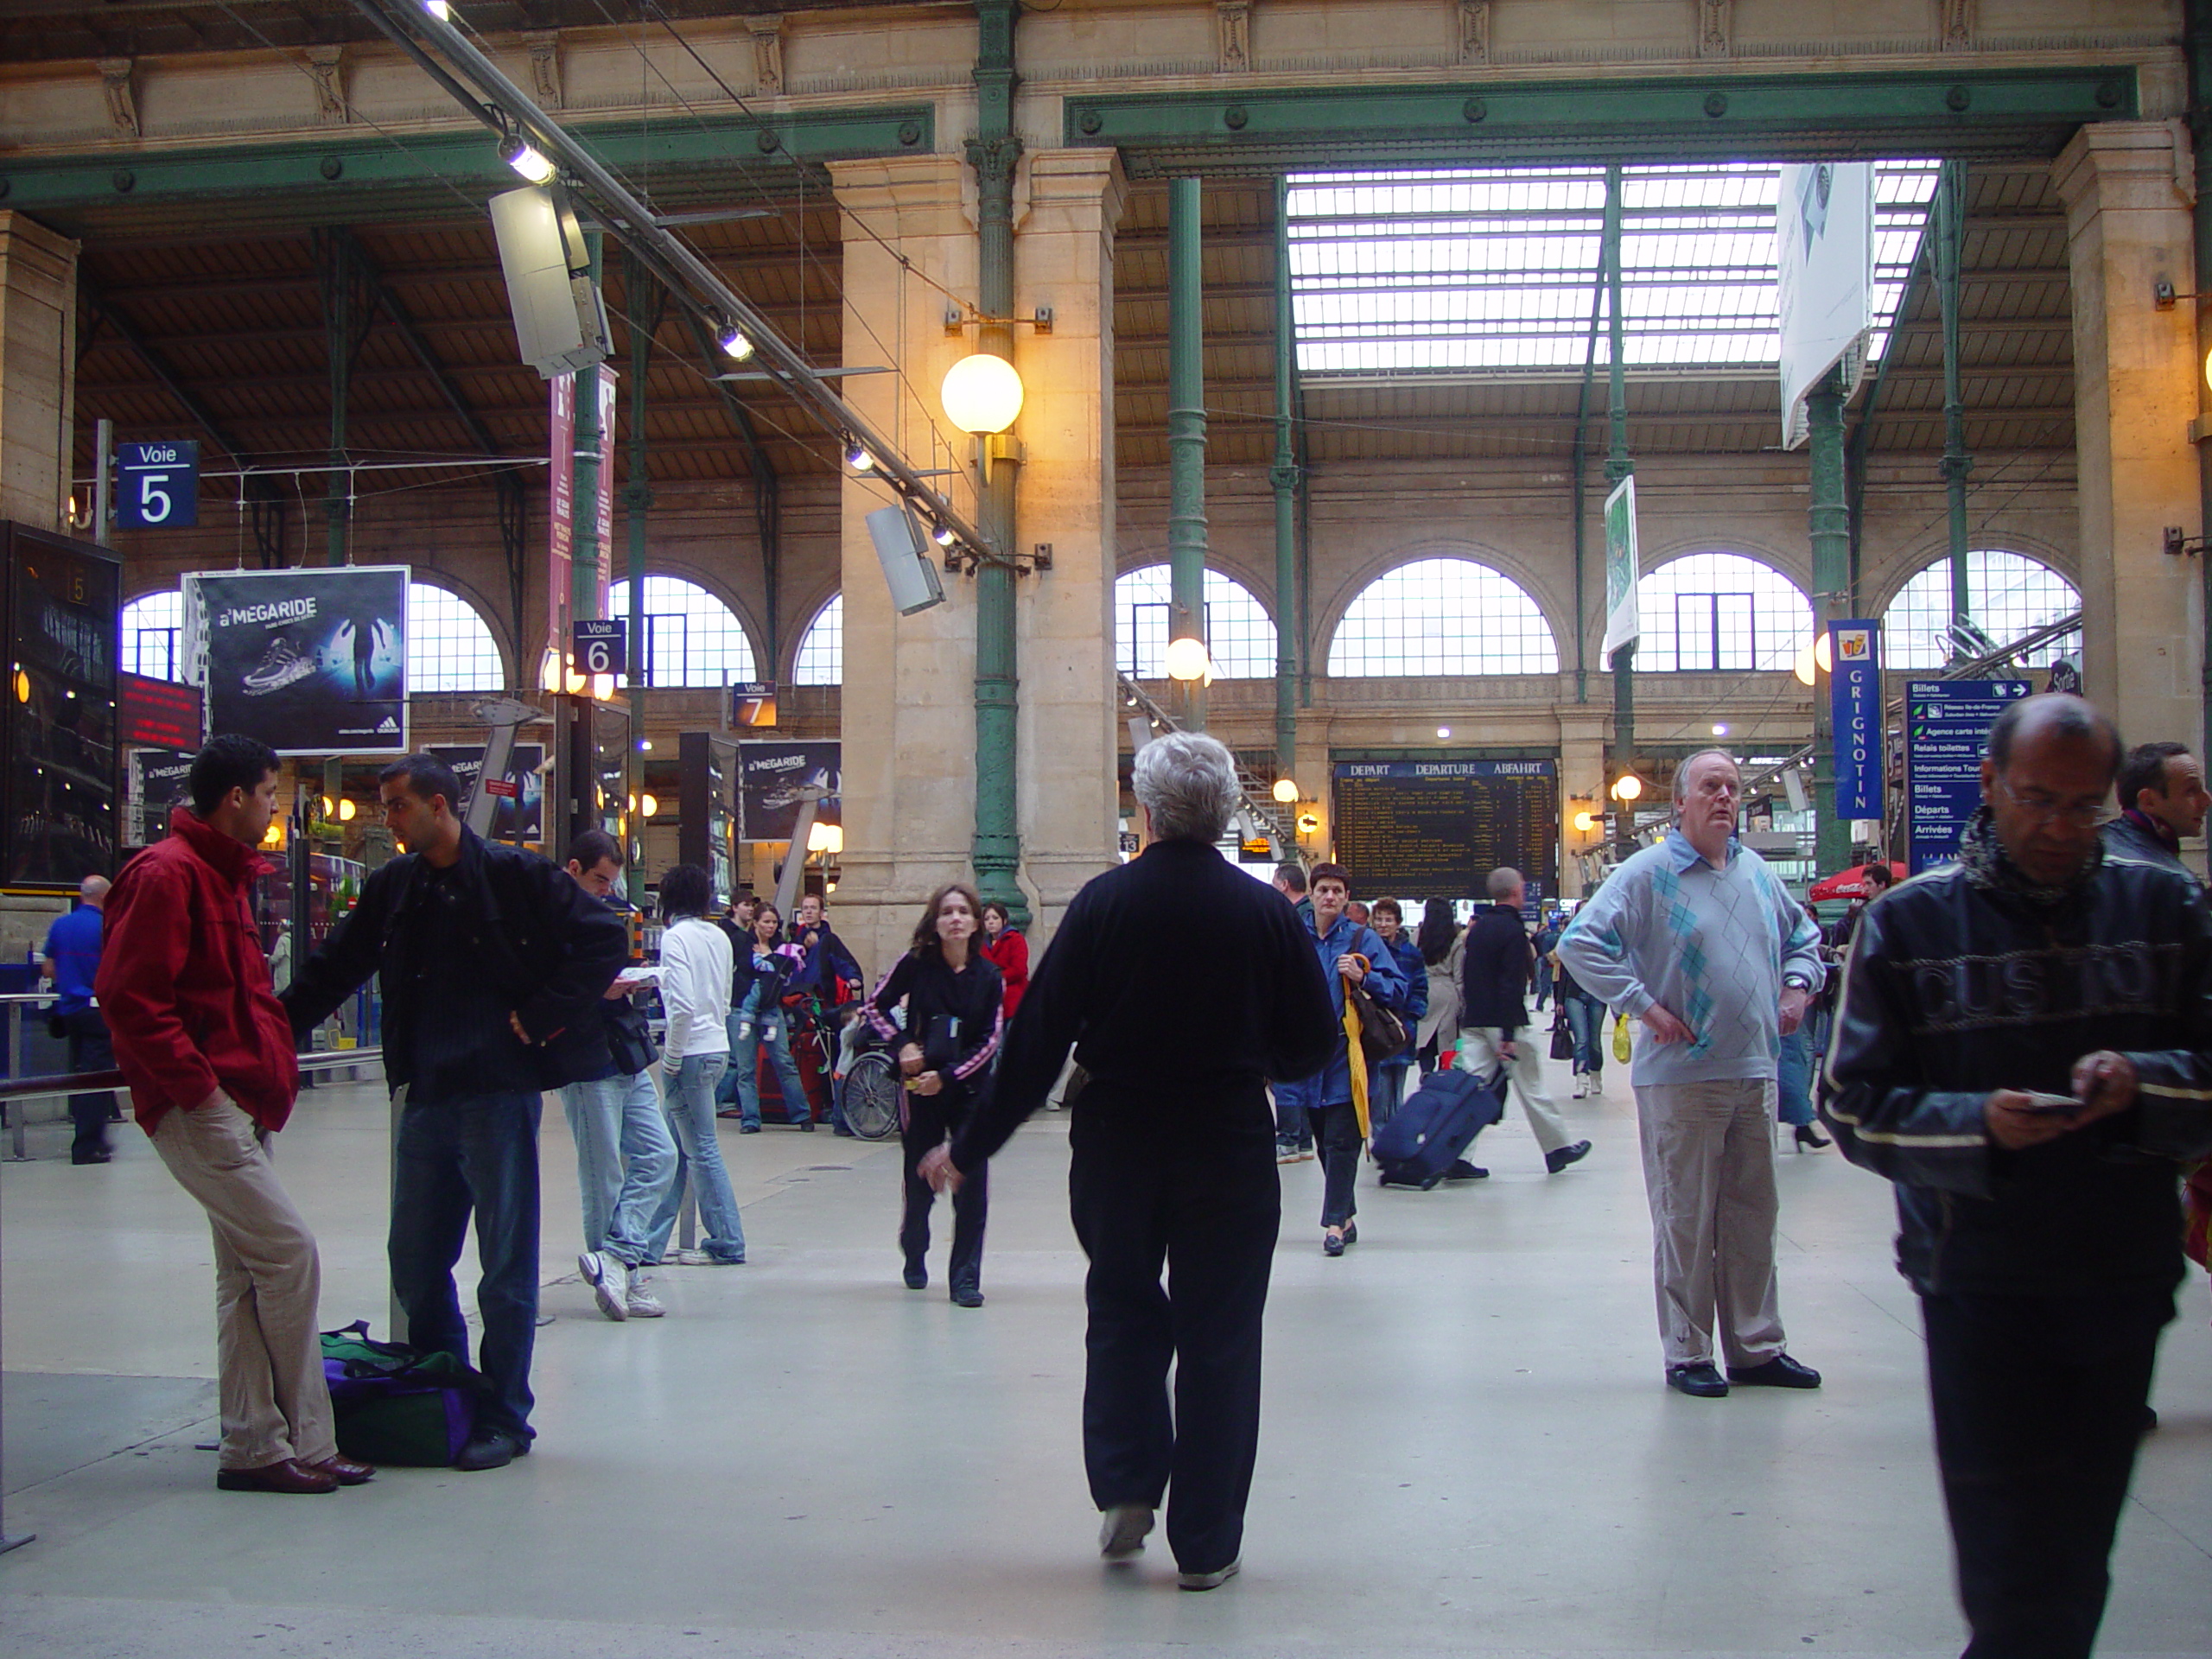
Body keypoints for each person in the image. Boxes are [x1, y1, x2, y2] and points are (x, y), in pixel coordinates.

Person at [1822, 693, 2212, 1659]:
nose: (2057, 828)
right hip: (1979, 1285)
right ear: (1990, 786)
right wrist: (1978, 1127)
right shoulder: (1910, 925)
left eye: (2082, 809)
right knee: (2006, 1570)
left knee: (2076, 1556)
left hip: (2119, 1277)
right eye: (2037, 799)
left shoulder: (2166, 910)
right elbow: (1852, 1107)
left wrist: (2142, 1085)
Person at [915, 731, 1334, 1591]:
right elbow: (1311, 1046)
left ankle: (1126, 1487)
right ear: (1224, 815)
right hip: (1227, 1135)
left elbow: (1036, 1043)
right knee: (1221, 1333)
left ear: (1142, 812)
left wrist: (969, 1144)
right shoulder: (1265, 912)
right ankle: (1208, 1543)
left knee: (1122, 1307)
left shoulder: (1103, 905)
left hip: (1117, 1135)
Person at [283, 753, 627, 1471]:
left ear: (439, 807)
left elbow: (603, 937)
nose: (388, 818)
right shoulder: (396, 886)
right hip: (426, 1095)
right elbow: (336, 965)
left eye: (398, 805)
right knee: (413, 1260)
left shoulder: (511, 874)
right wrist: (272, 1031)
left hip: (496, 1093)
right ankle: (447, 1391)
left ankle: (506, 1415)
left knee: (505, 1266)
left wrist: (540, 1017)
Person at [99, 735, 370, 1494]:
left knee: (247, 1275)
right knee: (289, 1254)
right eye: (270, 793)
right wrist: (199, 1091)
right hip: (205, 1107)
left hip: (240, 1103)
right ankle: (309, 1442)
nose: (277, 807)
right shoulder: (166, 876)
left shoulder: (221, 880)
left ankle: (254, 1445)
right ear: (236, 799)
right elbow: (131, 998)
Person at [1557, 749, 1825, 1399]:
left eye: (1732, 787)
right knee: (1686, 1216)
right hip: (1681, 1079)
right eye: (1711, 787)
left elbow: (1805, 940)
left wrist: (1795, 989)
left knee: (1752, 1215)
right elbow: (1579, 943)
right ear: (1679, 803)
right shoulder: (1647, 874)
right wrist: (1643, 1005)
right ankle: (1687, 1351)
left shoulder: (1758, 874)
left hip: (1754, 1070)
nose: (1726, 797)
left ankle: (1757, 1346)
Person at [558, 831, 681, 1321]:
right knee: (603, 1169)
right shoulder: (553, 922)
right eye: (599, 880)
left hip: (624, 1053)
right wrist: (595, 989)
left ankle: (617, 1255)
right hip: (586, 1059)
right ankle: (620, 1274)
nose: (607, 889)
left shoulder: (604, 917)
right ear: (573, 869)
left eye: (611, 880)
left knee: (661, 1154)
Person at [867, 884, 1002, 1305]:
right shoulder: (916, 965)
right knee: (920, 1176)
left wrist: (948, 1075)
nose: (956, 919)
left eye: (964, 912)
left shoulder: (989, 976)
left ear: (976, 923)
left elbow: (989, 1040)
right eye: (947, 912)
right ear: (936, 922)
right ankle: (914, 1246)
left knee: (972, 1184)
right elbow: (875, 1007)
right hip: (920, 1087)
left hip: (967, 1090)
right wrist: (903, 1043)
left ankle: (965, 1277)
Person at [1273, 862, 1405, 1255]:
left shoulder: (1363, 940)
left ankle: (1332, 1225)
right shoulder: (1293, 936)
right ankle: (1345, 1214)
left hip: (1349, 1058)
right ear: (1311, 894)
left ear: (1347, 898)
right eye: (1323, 890)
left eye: (1338, 891)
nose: (1330, 897)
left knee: (1342, 1140)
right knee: (1324, 1142)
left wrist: (1366, 978)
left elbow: (1398, 988)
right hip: (1306, 1057)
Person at [640, 863, 747, 1269]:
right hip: (716, 1047)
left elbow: (681, 1006)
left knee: (699, 1148)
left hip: (688, 1054)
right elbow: (723, 997)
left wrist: (670, 1058)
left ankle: (727, 1241)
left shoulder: (675, 939)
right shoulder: (718, 936)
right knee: (675, 1148)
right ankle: (649, 1242)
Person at [1459, 868, 1591, 1175]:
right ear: (1518, 891)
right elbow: (1511, 984)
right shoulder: (1513, 931)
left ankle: (1457, 1154)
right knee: (1531, 1086)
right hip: (1504, 1021)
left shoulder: (1478, 929)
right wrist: (1507, 1032)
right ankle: (1557, 1149)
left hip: (1475, 1020)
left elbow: (1469, 977)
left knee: (1472, 1090)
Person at [41, 873, 118, 1165]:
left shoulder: (61, 924)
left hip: (69, 1010)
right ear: (104, 897)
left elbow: (48, 968)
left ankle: (90, 1134)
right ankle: (87, 1146)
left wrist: (71, 978)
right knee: (97, 1078)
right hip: (97, 1011)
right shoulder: (106, 928)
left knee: (79, 1073)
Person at [728, 900, 815, 1130]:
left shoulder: (781, 945)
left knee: (784, 1061)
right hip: (742, 1007)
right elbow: (744, 967)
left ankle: (801, 1114)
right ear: (755, 923)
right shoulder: (740, 942)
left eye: (774, 922)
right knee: (745, 1068)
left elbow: (789, 970)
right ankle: (750, 1119)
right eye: (766, 921)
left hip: (771, 1007)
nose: (771, 926)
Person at [2101, 739, 2208, 879]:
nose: (2207, 801)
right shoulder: (2168, 879)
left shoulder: (2095, 849)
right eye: (2190, 791)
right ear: (2148, 801)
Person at [1774, 900, 1830, 1153]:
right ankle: (1802, 1124)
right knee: (1790, 1067)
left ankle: (1802, 1124)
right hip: (1774, 1008)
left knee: (1793, 1064)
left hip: (1782, 1005)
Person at [1365, 898, 1427, 1130]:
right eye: (1379, 919)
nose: (1383, 924)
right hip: (1376, 1027)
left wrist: (1413, 1013)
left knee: (1398, 1083)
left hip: (1403, 1027)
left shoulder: (1411, 953)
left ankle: (1396, 1131)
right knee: (1379, 1085)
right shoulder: (1367, 949)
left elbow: (1420, 986)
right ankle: (1382, 1133)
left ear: (1398, 922)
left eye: (1388, 919)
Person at [1272, 865, 1318, 1162]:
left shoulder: (1290, 918)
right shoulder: (1312, 917)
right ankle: (1302, 1139)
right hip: (1310, 1004)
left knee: (1285, 1075)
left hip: (1288, 1003)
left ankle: (1288, 1138)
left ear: (1285, 885)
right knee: (1302, 1074)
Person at [1412, 897, 1464, 1074]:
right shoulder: (1455, 940)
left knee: (1425, 1036)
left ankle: (1426, 1072)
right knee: (1446, 1039)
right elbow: (1459, 976)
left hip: (1423, 989)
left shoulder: (1416, 936)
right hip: (1447, 991)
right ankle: (1444, 1075)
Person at [977, 899, 1030, 1024]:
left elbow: (1019, 969)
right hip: (991, 1001)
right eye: (987, 919)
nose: (991, 922)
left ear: (1004, 921)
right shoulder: (981, 944)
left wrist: (996, 977)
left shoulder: (1015, 939)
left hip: (1013, 999)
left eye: (995, 918)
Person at [1532, 909, 1562, 1010]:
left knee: (1545, 986)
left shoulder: (1547, 937)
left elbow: (1545, 953)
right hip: (1561, 965)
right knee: (1559, 988)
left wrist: (1551, 961)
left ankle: (1540, 1005)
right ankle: (1557, 1005)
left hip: (1549, 965)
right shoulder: (1562, 936)